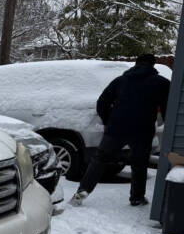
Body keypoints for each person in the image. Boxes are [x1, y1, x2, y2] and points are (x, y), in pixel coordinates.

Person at [70, 54, 170, 207]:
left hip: (116, 128)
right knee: (139, 164)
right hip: (142, 130)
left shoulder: (121, 80)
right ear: (153, 65)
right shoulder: (161, 83)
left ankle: (82, 191)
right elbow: (167, 107)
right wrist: (167, 124)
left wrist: (108, 120)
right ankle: (137, 197)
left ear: (135, 64)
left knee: (100, 159)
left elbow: (102, 102)